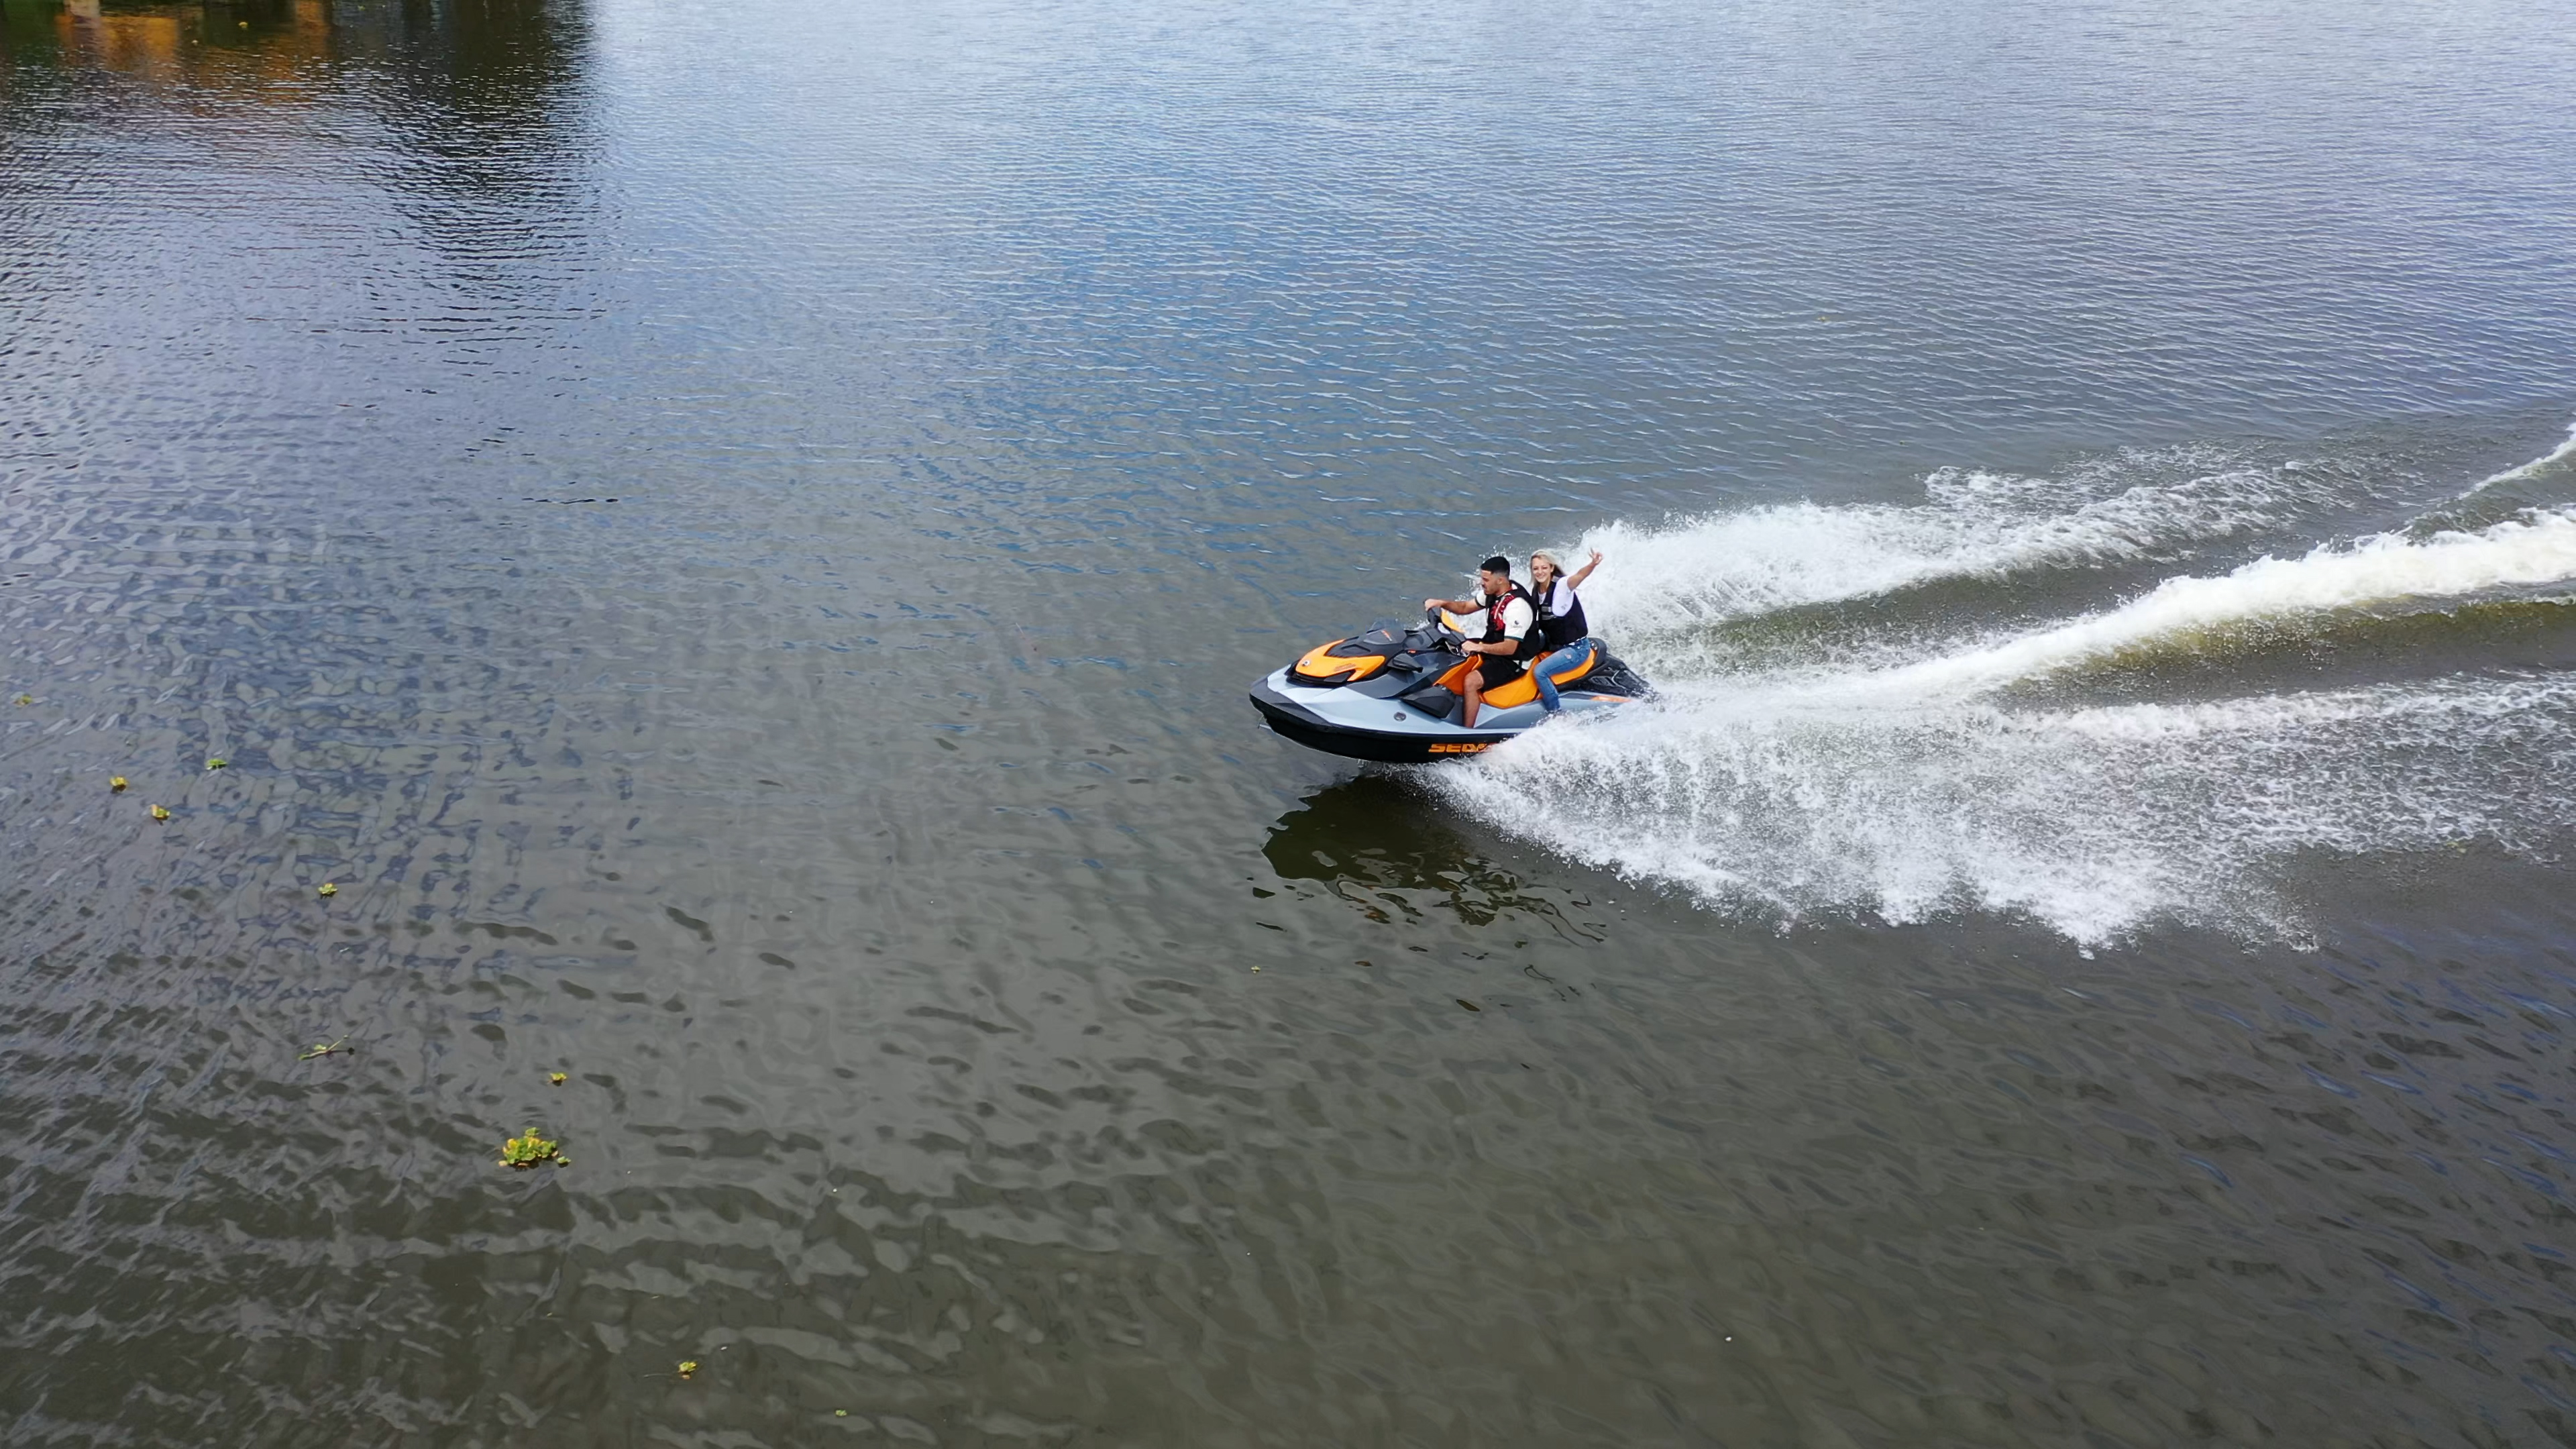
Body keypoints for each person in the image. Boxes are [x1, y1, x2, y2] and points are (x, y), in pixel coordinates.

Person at [1422, 555, 1538, 729]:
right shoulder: (1493, 593)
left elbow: (1510, 647)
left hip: (1513, 661)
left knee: (1471, 681)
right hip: (1492, 649)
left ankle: (1466, 732)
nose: (1481, 583)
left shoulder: (1517, 607)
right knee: (1451, 656)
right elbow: (1465, 608)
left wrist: (1479, 647)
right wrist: (1442, 603)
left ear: (1500, 580)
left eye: (1485, 579)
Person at [1526, 548, 1603, 712]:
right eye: (1536, 568)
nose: (1540, 572)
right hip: (1554, 643)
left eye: (1544, 568)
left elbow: (1579, 576)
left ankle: (1556, 713)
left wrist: (1592, 564)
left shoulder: (1562, 586)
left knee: (1540, 672)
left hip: (1575, 649)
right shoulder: (1537, 591)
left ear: (1551, 568)